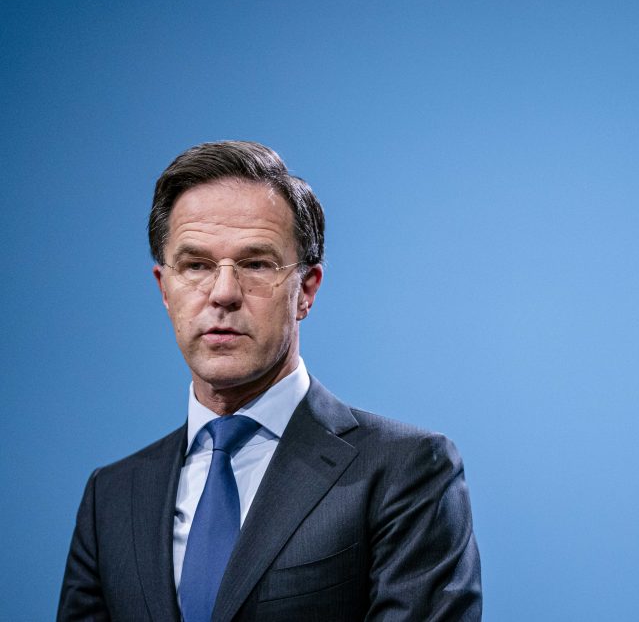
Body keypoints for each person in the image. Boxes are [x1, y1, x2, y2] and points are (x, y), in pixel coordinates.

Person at [57, 141, 482, 621]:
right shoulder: (112, 496)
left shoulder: (407, 470)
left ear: (307, 290)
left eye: (256, 264)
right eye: (195, 265)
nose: (223, 293)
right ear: (164, 288)